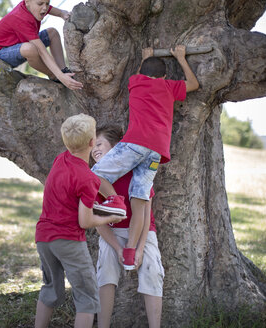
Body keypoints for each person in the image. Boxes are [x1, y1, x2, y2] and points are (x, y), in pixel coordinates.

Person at [91, 45, 199, 269]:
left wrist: (145, 57)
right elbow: (194, 84)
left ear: (142, 73)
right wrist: (181, 58)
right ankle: (130, 252)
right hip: (156, 151)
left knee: (94, 175)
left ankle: (114, 201)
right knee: (139, 198)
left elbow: (141, 74)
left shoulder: (135, 82)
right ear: (165, 76)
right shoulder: (169, 86)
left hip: (135, 143)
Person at [34, 114, 126, 328]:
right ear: (92, 142)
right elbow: (84, 221)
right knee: (87, 299)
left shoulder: (61, 159)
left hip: (43, 238)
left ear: (66, 142)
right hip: (69, 240)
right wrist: (112, 215)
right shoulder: (87, 178)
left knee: (50, 289)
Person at [91, 125, 163, 328]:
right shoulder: (95, 179)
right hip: (112, 233)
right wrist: (118, 248)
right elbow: (98, 223)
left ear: (116, 148)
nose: (94, 149)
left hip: (142, 233)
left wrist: (138, 249)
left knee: (152, 271)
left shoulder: (137, 171)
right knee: (105, 270)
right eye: (92, 147)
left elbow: (146, 214)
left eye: (99, 144)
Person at [0, 0, 83, 90]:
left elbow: (52, 10)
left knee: (52, 33)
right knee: (30, 49)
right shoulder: (19, 17)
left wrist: (63, 13)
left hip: (18, 46)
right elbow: (42, 51)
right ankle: (54, 75)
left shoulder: (34, 6)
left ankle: (64, 71)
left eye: (47, 3)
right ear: (27, 1)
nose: (45, 8)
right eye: (40, 4)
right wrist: (59, 76)